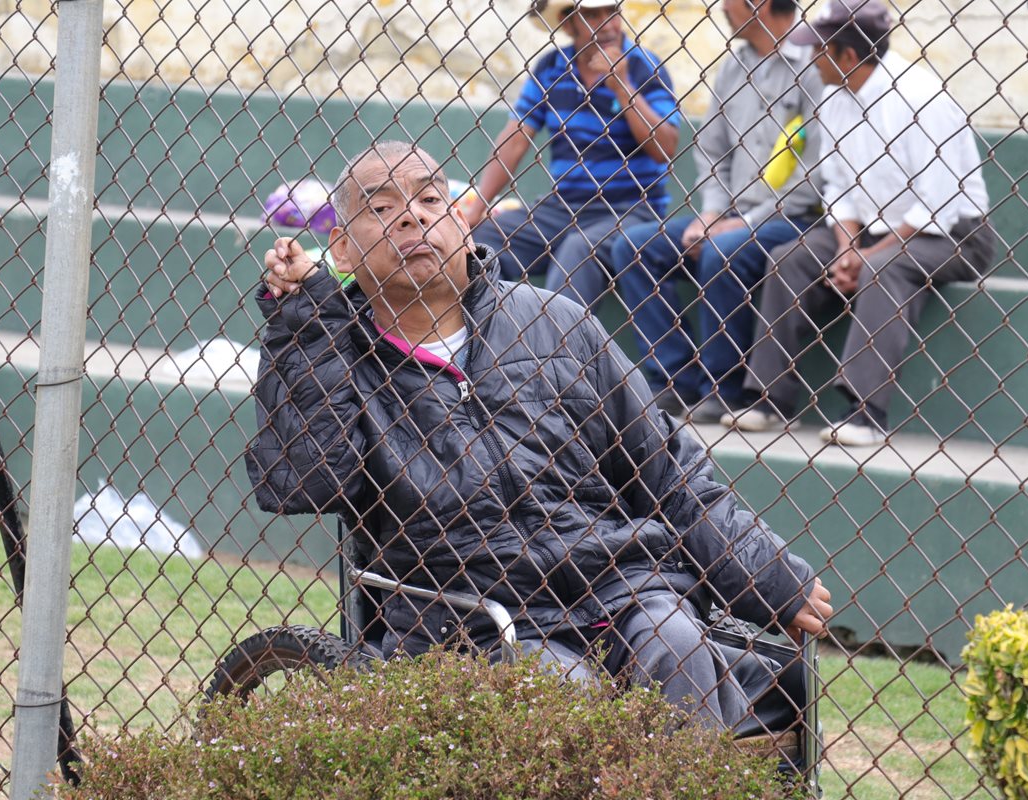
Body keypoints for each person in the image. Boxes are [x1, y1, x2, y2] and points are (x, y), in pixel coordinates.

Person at [247, 140, 832, 730]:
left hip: (621, 586)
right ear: (342, 246)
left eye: (430, 198)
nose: (413, 216)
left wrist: (768, 578)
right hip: (471, 616)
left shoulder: (559, 321)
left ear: (464, 220)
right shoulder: (333, 352)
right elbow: (306, 481)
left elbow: (672, 475)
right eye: (382, 207)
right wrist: (306, 324)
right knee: (563, 691)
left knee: (676, 643)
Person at [721, 0, 996, 446]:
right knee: (789, 259)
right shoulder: (834, 96)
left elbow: (938, 205)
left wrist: (865, 256)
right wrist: (848, 248)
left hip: (952, 234)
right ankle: (771, 400)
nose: (810, 59)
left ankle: (867, 412)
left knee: (882, 269)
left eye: (818, 50)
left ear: (847, 56)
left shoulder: (921, 98)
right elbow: (838, 186)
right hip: (870, 228)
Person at [598, 0, 823, 422]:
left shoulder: (816, 65)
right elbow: (712, 150)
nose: (721, 7)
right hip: (732, 213)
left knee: (725, 251)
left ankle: (725, 387)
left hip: (796, 216)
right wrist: (714, 213)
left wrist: (743, 223)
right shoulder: (734, 67)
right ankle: (672, 380)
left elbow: (816, 171)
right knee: (635, 247)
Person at [466, 0, 680, 289]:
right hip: (563, 207)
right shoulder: (552, 67)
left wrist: (622, 84)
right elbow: (516, 139)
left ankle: (555, 336)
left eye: (613, 12)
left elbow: (664, 148)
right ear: (568, 24)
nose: (608, 24)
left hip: (631, 209)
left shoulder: (645, 67)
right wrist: (476, 209)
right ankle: (493, 329)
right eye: (592, 15)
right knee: (479, 242)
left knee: (578, 250)